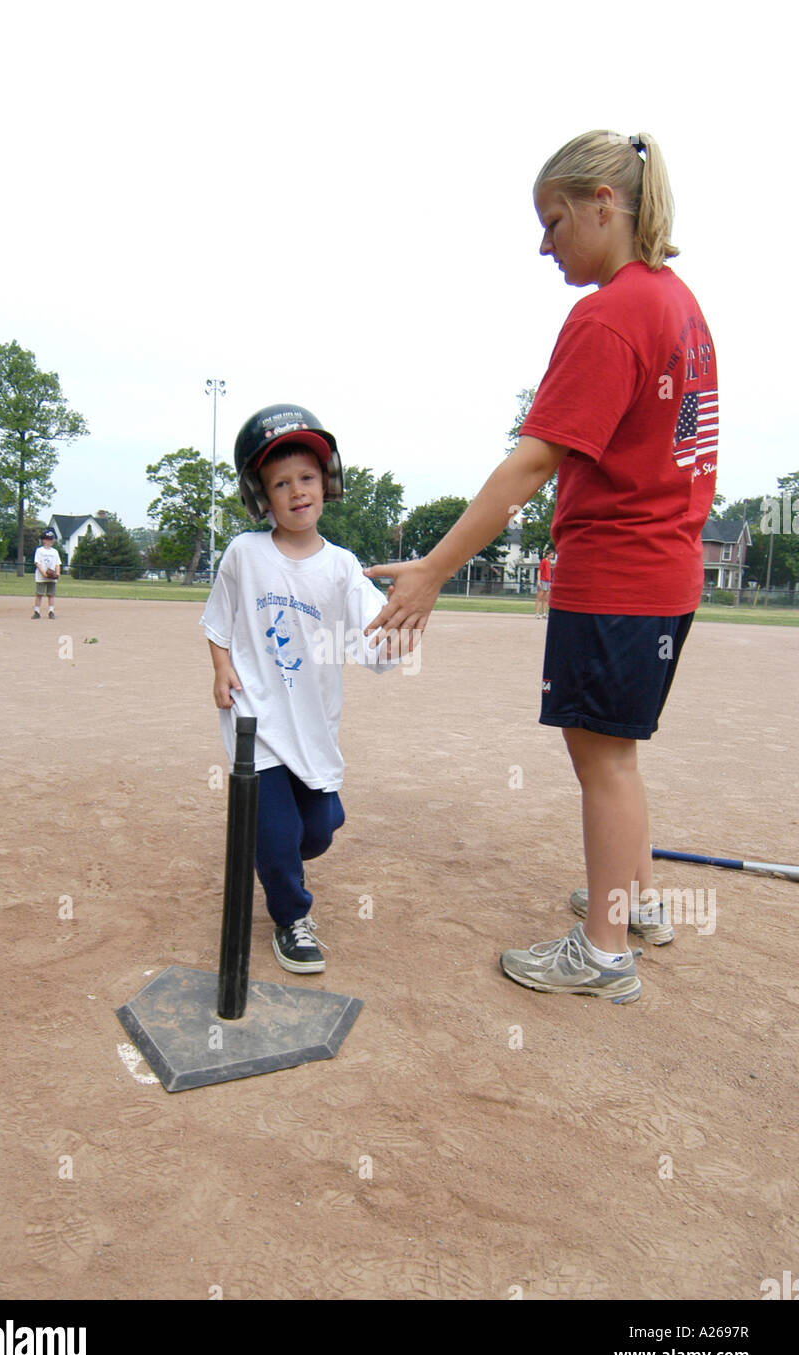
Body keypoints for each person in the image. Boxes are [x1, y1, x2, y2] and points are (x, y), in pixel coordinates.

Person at [364, 130, 718, 1004]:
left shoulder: (609, 313)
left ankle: (603, 953)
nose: (544, 243)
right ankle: (632, 905)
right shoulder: (678, 301)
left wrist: (435, 570)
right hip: (665, 572)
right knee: (618, 755)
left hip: (618, 573)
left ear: (606, 203)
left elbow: (529, 467)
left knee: (603, 761)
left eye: (554, 220)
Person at [200, 404, 405, 975]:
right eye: (281, 482)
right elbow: (217, 623)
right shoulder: (245, 553)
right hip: (257, 721)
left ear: (327, 482)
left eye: (307, 478)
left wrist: (401, 629)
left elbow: (371, 639)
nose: (297, 491)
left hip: (312, 724)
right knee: (280, 829)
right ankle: (292, 919)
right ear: (262, 495)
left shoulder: (342, 567)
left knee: (318, 830)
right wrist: (222, 670)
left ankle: (276, 858)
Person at [32, 528, 61, 618]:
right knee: (39, 594)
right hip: (41, 577)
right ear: (44, 540)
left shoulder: (55, 551)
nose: (51, 541)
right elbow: (37, 563)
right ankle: (37, 612)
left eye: (52, 539)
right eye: (48, 539)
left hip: (51, 578)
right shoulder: (39, 550)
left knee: (51, 595)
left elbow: (58, 564)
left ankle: (51, 611)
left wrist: (58, 573)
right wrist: (43, 573)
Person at [535, 547, 554, 618]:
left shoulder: (549, 562)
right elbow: (539, 570)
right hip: (542, 581)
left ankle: (544, 613)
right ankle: (537, 613)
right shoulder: (543, 561)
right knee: (539, 598)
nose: (552, 556)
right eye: (551, 555)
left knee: (545, 599)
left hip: (548, 581)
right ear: (548, 555)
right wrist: (539, 581)